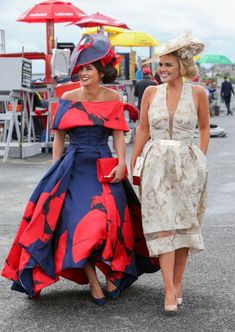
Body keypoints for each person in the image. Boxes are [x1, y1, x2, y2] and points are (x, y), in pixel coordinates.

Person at [1, 33, 159, 305]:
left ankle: (112, 274)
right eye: (80, 68)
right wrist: (54, 171)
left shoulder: (112, 97)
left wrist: (122, 162)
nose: (83, 73)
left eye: (88, 68)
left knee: (106, 225)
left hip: (104, 166)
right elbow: (60, 136)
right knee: (75, 227)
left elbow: (119, 134)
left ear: (101, 71)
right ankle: (94, 281)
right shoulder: (68, 96)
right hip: (72, 167)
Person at [130, 33, 210, 313]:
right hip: (156, 165)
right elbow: (142, 129)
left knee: (183, 229)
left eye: (168, 65)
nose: (162, 70)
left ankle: (178, 283)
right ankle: (168, 289)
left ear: (182, 65)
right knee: (163, 227)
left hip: (188, 166)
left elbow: (203, 128)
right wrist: (134, 159)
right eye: (160, 65)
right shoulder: (151, 93)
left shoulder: (198, 93)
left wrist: (200, 158)